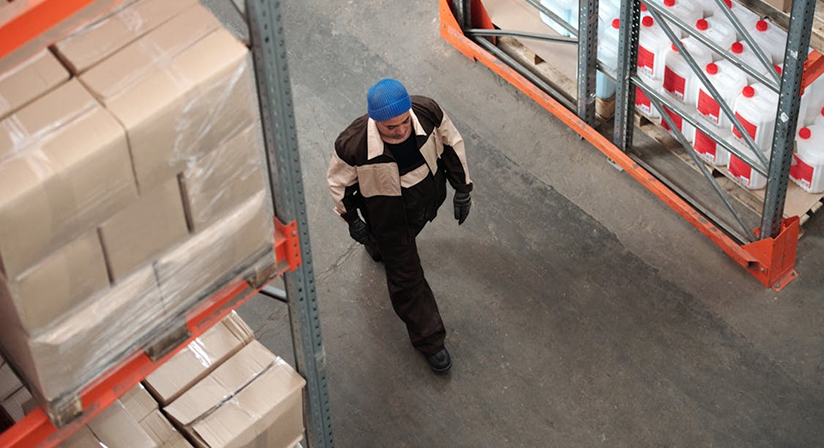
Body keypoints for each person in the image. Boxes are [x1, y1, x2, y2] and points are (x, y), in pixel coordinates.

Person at [326, 79, 473, 372]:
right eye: (391, 127)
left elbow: (452, 144)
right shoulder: (353, 145)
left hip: (428, 200)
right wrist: (352, 220)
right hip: (389, 218)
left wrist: (462, 187)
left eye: (404, 122)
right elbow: (338, 185)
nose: (401, 130)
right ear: (374, 120)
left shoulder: (427, 111)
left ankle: (377, 247)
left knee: (387, 247)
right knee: (407, 279)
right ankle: (429, 340)